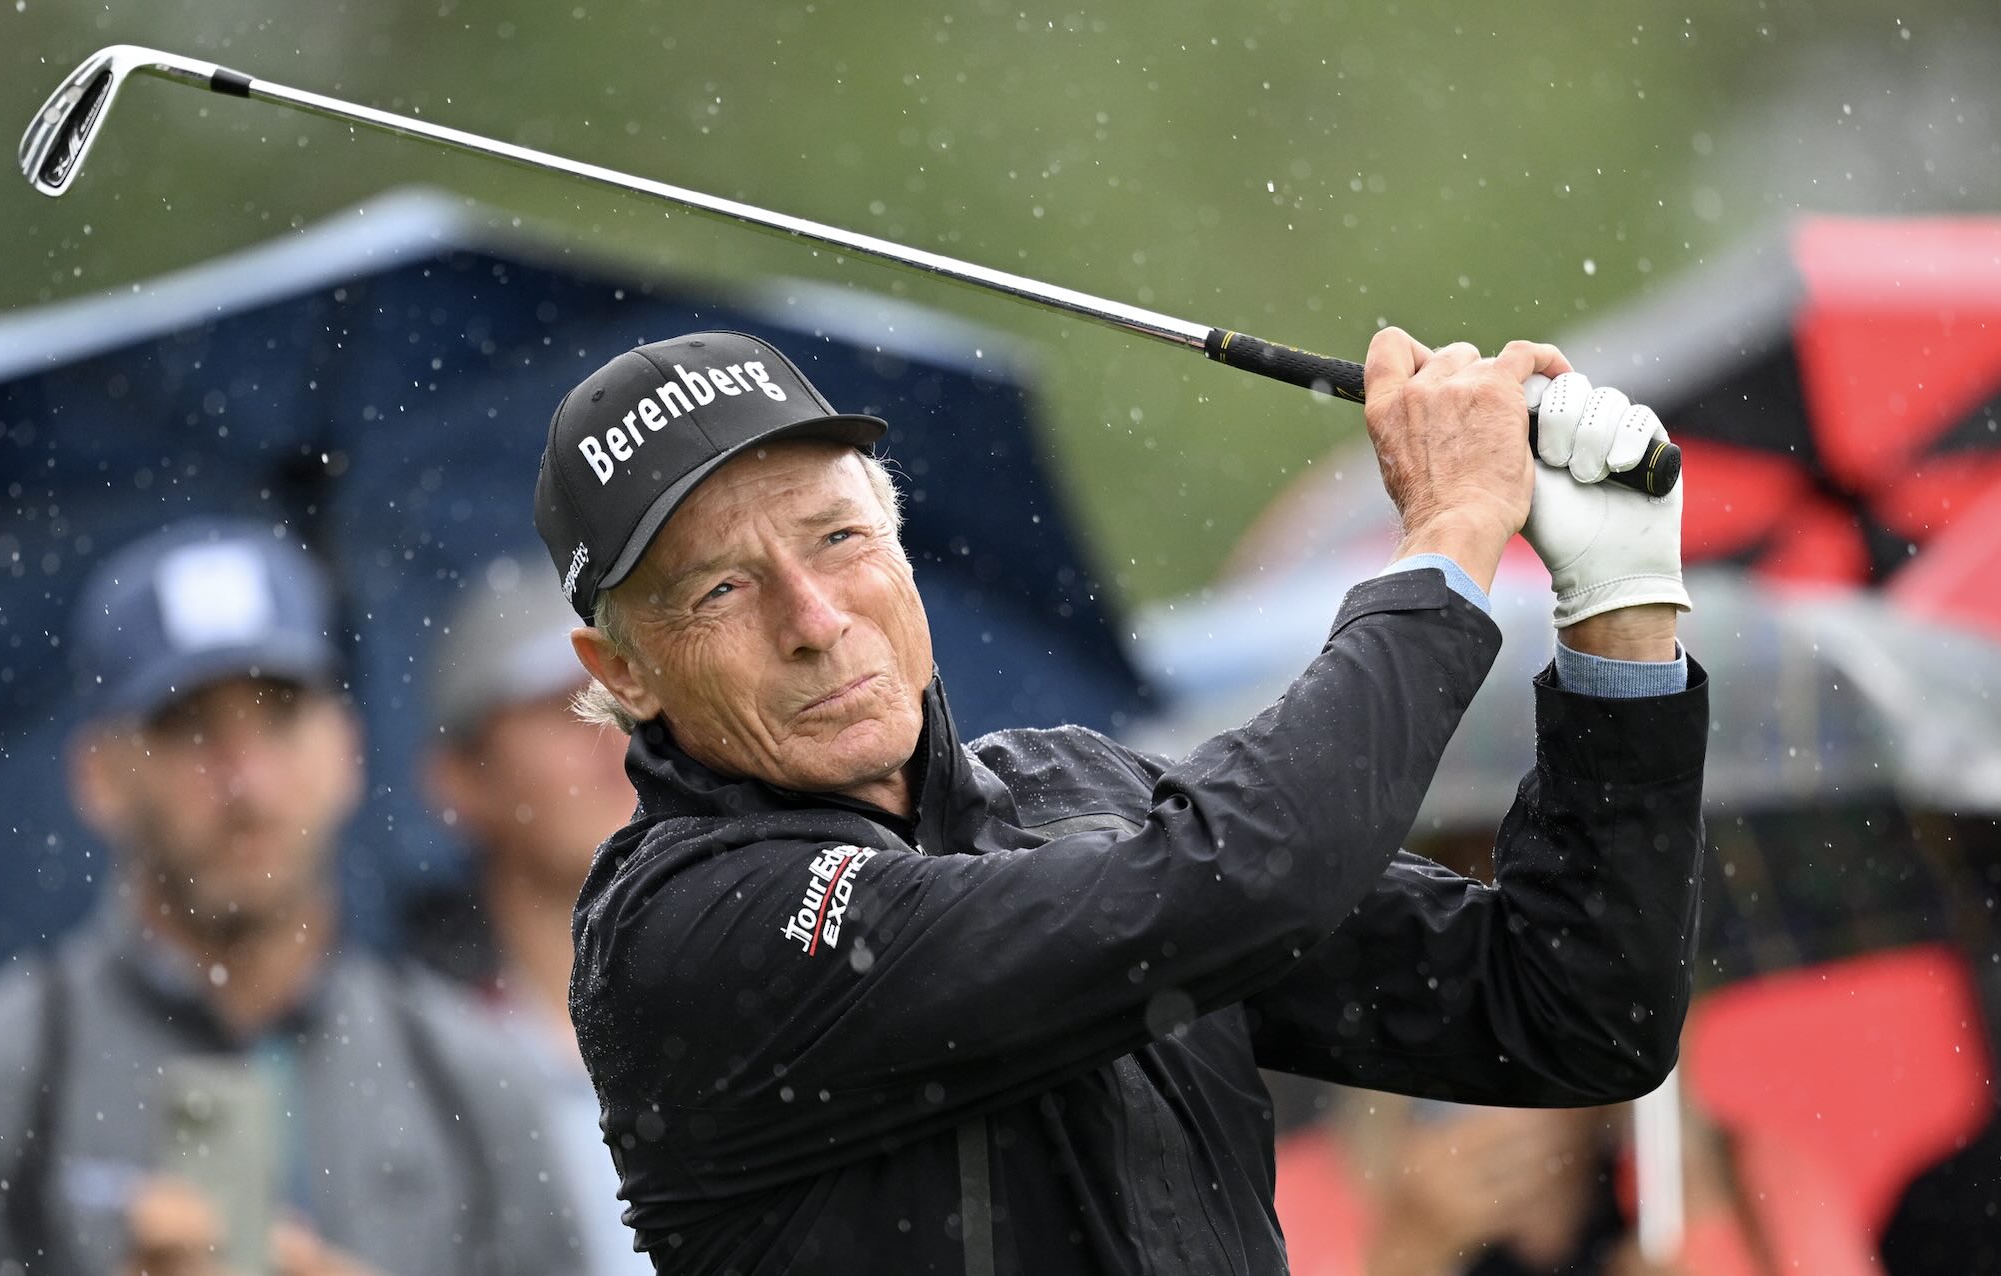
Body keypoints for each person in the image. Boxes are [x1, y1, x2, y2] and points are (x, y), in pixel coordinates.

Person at [530, 328, 1709, 1274]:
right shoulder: (679, 927)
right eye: (723, 587)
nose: (815, 618)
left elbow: (1569, 1007)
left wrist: (1618, 613)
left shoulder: (1074, 787)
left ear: (898, 547)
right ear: (622, 669)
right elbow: (1243, 872)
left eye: (838, 537)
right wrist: (1449, 537)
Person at [0, 520, 582, 1276]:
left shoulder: (473, 1080)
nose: (245, 781)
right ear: (99, 777)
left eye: (279, 717)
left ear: (347, 751)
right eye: (187, 727)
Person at [421, 556, 649, 1275]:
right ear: (459, 779)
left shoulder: (778, 987)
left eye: (625, 699)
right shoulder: (414, 1060)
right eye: (565, 710)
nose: (611, 742)